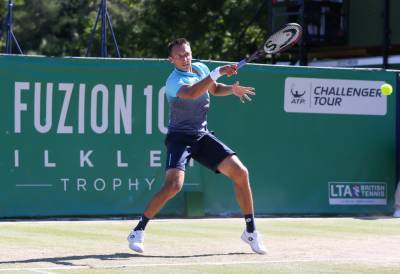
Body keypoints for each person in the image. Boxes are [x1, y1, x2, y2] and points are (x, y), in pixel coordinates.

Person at [127, 38, 267, 255]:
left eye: (188, 53)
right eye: (180, 56)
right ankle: (138, 231)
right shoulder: (173, 81)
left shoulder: (201, 68)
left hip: (202, 136)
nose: (185, 58)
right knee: (173, 185)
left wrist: (232, 89)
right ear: (171, 59)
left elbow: (215, 89)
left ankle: (251, 231)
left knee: (241, 172)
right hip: (180, 137)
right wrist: (217, 71)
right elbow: (192, 93)